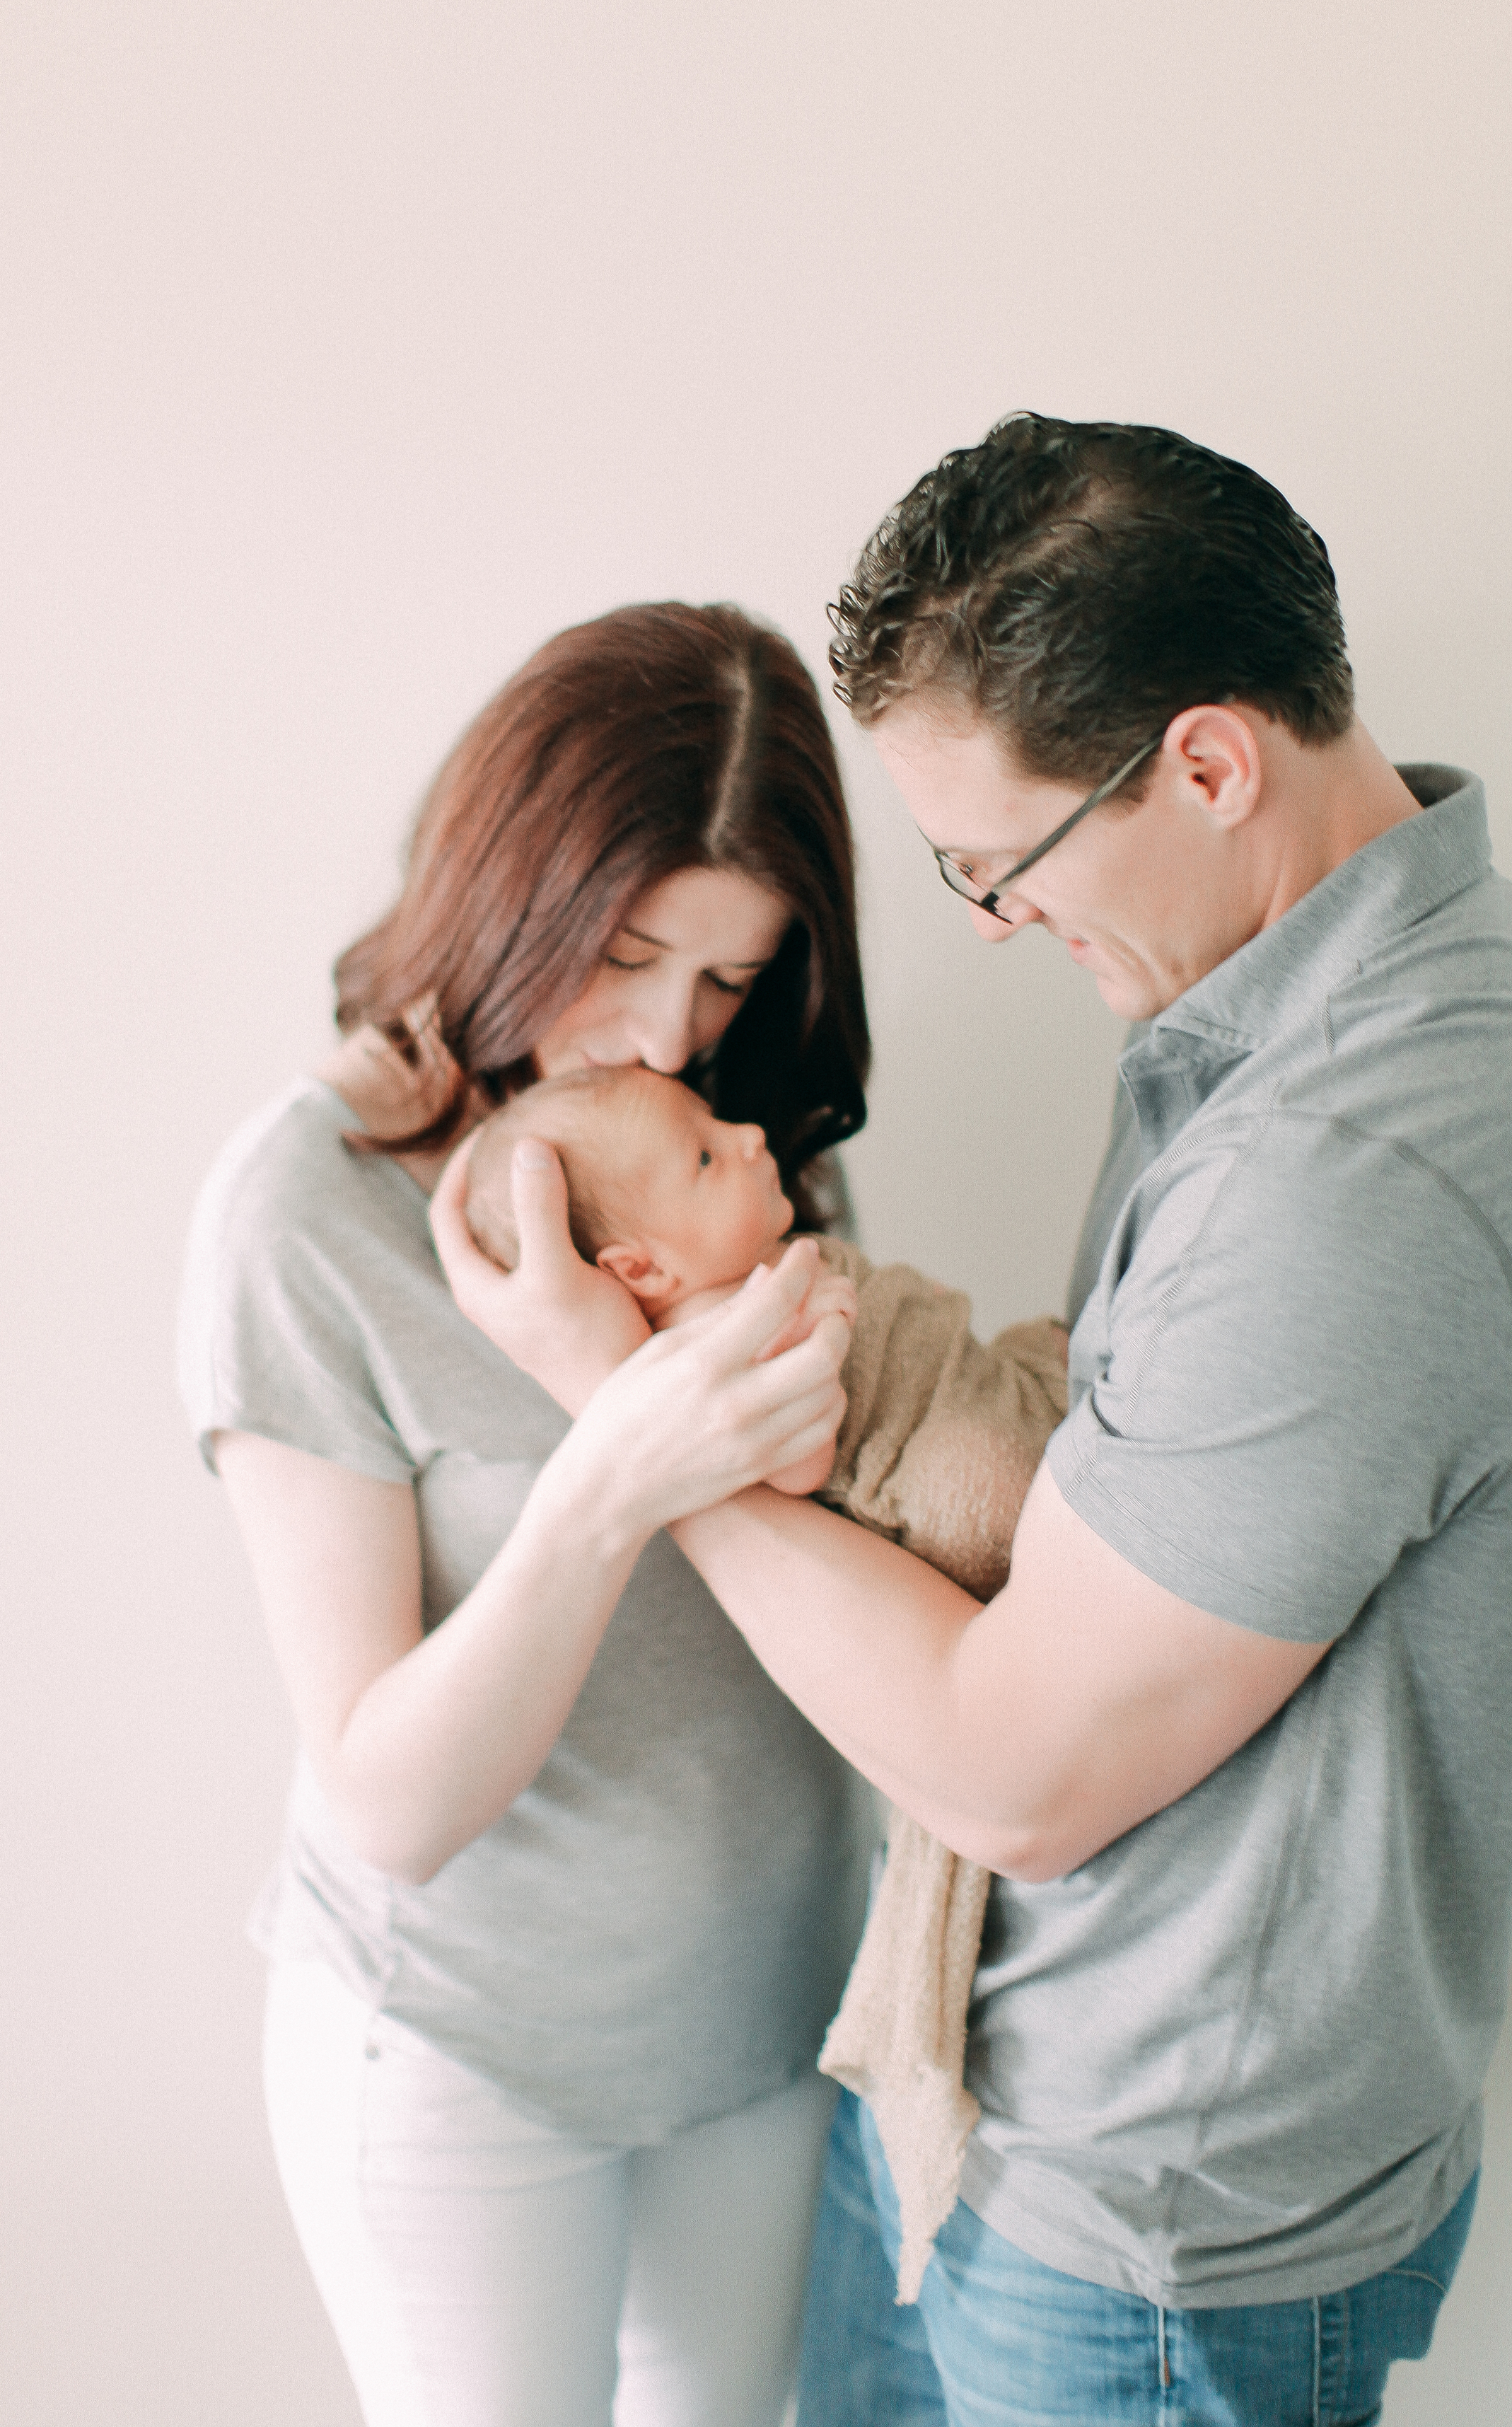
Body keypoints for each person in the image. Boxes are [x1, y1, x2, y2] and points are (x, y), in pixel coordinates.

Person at [433, 417, 1512, 2427]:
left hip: (1149, 2225)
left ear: (1204, 762)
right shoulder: (1244, 1005)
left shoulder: (1358, 1163)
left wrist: (628, 1404)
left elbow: (1022, 1769)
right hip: (984, 2100)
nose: (995, 924)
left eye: (999, 867)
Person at [178, 600, 880, 2427]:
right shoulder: (310, 1208)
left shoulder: (749, 1153)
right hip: (464, 2055)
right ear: (513, 886)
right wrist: (614, 1445)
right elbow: (388, 1795)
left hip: (767, 2018)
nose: (668, 1032)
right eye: (630, 952)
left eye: (728, 975)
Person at [467, 1059, 1069, 2286]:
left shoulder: (740, 1272)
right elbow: (790, 1465)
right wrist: (827, 1341)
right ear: (642, 1273)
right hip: (950, 1482)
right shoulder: (709, 1337)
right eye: (702, 1154)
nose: (747, 1133)